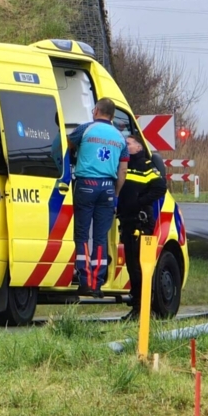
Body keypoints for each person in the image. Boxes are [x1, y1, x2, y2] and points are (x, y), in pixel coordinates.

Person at [67, 98, 128, 296]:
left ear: (96, 111)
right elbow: (123, 171)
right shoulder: (120, 138)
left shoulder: (85, 129)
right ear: (112, 115)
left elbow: (65, 147)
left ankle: (85, 281)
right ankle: (97, 284)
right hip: (108, 188)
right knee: (101, 237)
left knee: (82, 235)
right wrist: (116, 194)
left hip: (86, 185)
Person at [116, 132, 168, 318]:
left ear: (139, 147)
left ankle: (144, 309)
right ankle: (138, 307)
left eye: (129, 143)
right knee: (132, 266)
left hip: (141, 223)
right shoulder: (124, 165)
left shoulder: (145, 165)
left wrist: (139, 202)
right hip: (128, 222)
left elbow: (160, 187)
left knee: (140, 267)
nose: (125, 146)